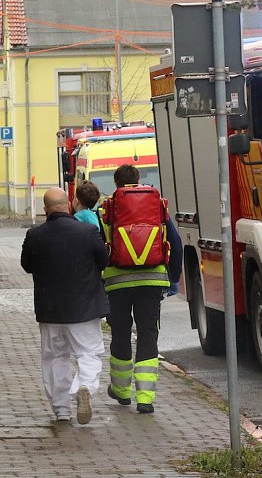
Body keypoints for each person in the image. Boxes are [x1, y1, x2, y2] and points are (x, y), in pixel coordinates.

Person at [20, 187, 109, 424]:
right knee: (88, 353)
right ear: (69, 203)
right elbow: (104, 260)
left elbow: (26, 265)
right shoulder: (88, 231)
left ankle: (61, 410)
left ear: (45, 209)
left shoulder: (35, 235)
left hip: (50, 310)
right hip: (84, 307)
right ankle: (86, 388)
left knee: (54, 358)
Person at [100, 164, 182, 414]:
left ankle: (122, 391)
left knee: (121, 334)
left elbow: (98, 246)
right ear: (138, 180)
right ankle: (145, 398)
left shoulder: (108, 208)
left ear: (116, 184)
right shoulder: (156, 205)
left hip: (117, 283)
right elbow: (175, 243)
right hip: (152, 280)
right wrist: (173, 277)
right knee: (148, 335)